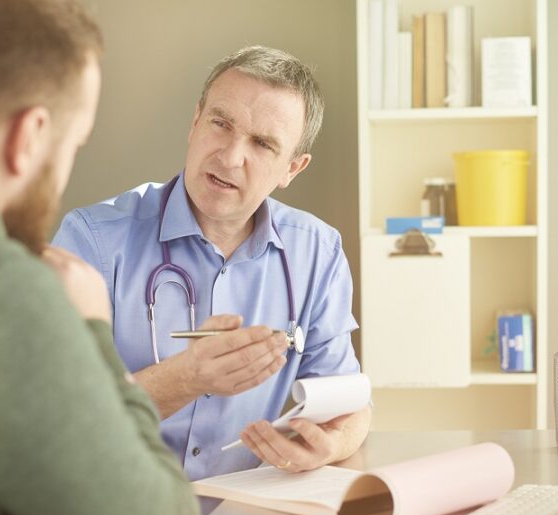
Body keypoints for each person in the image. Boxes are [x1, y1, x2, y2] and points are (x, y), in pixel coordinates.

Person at [53, 45, 371, 482]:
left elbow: (348, 404)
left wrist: (327, 445)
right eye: (221, 124)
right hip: (116, 512)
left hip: (245, 513)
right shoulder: (92, 240)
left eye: (262, 144)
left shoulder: (318, 251)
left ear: (292, 168)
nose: (230, 156)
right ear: (195, 121)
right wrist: (186, 377)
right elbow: (56, 419)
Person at [0, 1, 200, 515]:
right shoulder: (18, 293)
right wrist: (91, 330)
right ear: (29, 136)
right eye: (75, 144)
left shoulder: (313, 245)